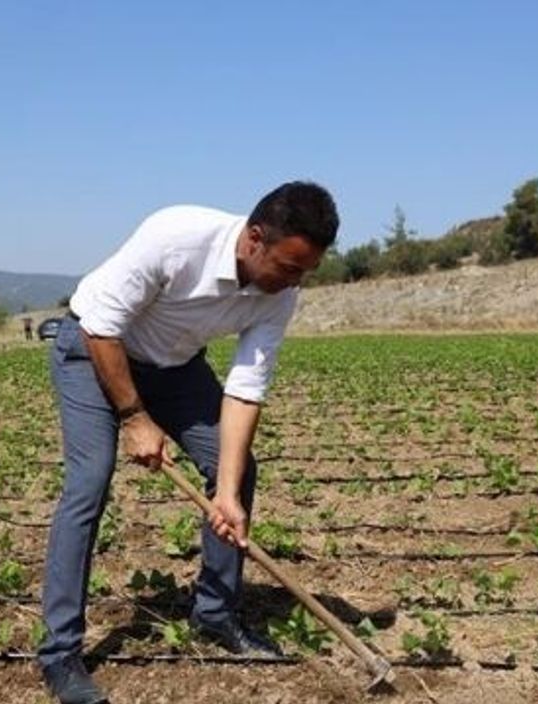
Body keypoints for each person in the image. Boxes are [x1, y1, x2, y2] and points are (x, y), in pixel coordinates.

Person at [38, 181, 339, 704]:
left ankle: (214, 615)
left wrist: (225, 491)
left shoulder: (280, 293)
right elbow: (101, 328)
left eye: (306, 272)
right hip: (93, 351)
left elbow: (246, 389)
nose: (295, 282)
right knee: (90, 480)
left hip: (175, 369)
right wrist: (134, 418)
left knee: (238, 472)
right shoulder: (175, 237)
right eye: (289, 267)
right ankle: (60, 653)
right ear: (253, 239)